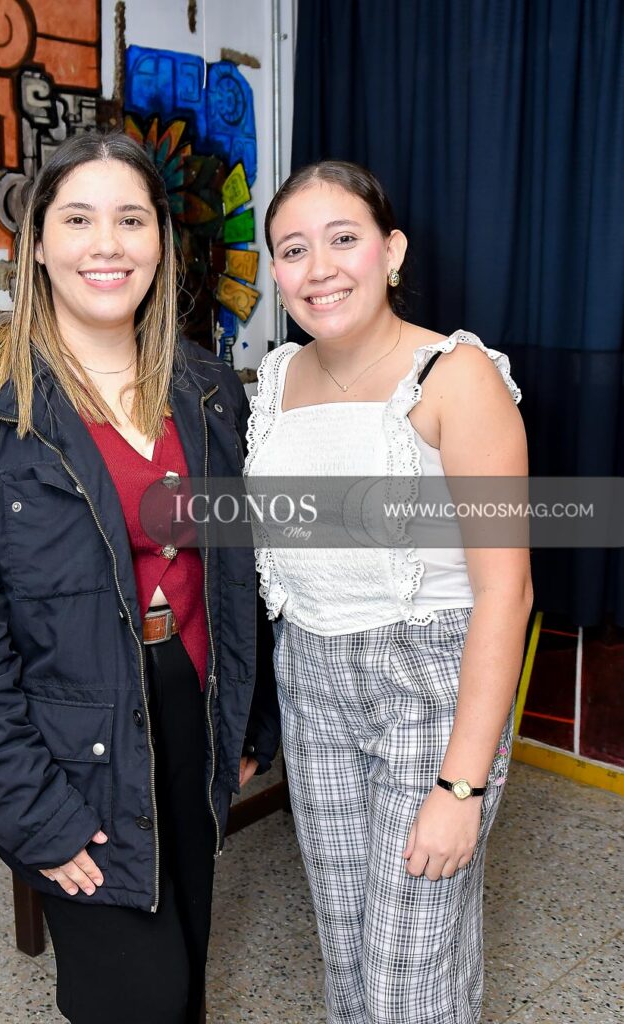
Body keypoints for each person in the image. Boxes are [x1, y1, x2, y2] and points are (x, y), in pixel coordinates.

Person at [0, 131, 279, 1024]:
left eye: (129, 219)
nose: (106, 244)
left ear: (161, 240)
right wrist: (34, 814)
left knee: (184, 967)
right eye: (78, 219)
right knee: (135, 999)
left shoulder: (207, 391)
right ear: (36, 241)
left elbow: (243, 574)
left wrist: (248, 717)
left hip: (189, 712)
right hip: (72, 742)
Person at [245, 161, 532, 1024]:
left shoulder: (455, 375)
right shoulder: (276, 379)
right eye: (293, 250)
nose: (319, 268)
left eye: (343, 240)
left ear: (390, 250)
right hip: (312, 681)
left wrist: (460, 789)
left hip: (428, 686)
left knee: (409, 977)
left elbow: (506, 593)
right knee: (347, 952)